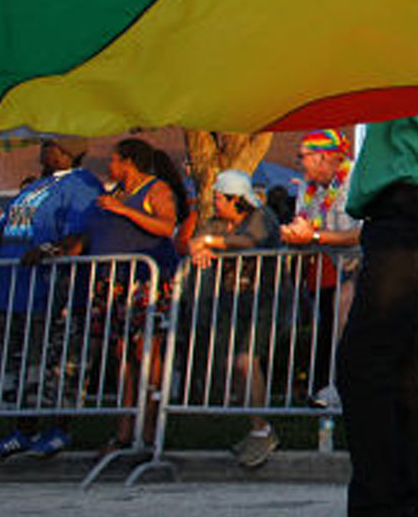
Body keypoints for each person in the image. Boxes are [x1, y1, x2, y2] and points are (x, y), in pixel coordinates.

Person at [295, 114, 418, 517]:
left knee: (364, 364)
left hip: (405, 200)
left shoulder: (400, 50)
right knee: (403, 367)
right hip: (404, 203)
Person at [0, 136, 102, 460]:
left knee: (56, 365)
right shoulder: (36, 187)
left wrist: (50, 250)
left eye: (49, 144)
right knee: (19, 367)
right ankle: (22, 432)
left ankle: (59, 430)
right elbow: (7, 225)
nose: (43, 149)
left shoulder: (82, 184)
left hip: (52, 293)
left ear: (64, 151)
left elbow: (80, 235)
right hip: (14, 293)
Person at [86, 137, 190, 453]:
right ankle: (124, 431)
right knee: (122, 355)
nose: (110, 165)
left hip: (147, 279)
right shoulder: (113, 192)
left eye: (114, 160)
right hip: (115, 282)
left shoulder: (155, 189)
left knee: (147, 352)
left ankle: (148, 431)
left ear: (128, 161)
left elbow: (165, 226)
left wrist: (123, 210)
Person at [188, 169, 284, 468]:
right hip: (231, 300)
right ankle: (256, 426)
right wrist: (199, 248)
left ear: (236, 199)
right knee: (232, 364)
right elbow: (194, 241)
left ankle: (264, 429)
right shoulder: (216, 223)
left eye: (219, 198)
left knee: (245, 360)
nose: (215, 203)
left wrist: (211, 243)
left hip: (266, 300)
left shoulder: (261, 216)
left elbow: (250, 243)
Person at [279, 130, 361, 409]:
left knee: (346, 316)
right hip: (340, 268)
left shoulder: (357, 180)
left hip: (371, 265)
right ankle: (339, 386)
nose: (300, 163)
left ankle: (348, 387)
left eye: (303, 157)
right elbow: (305, 222)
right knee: (337, 322)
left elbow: (361, 234)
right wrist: (294, 234)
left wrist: (313, 237)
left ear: (323, 157)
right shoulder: (308, 188)